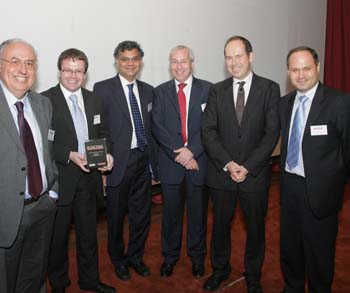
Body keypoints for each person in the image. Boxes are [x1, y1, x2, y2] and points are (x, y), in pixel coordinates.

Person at [201, 35, 280, 292]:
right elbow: (208, 130)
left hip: (254, 175)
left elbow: (271, 133)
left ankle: (253, 276)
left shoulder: (270, 88)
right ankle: (220, 270)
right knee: (220, 226)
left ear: (251, 56)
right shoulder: (217, 90)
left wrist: (247, 166)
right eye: (228, 57)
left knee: (256, 229)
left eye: (238, 56)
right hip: (221, 174)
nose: (233, 62)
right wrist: (228, 163)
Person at [42, 48, 115, 293]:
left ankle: (90, 281)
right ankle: (59, 285)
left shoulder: (95, 99)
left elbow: (104, 134)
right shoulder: (44, 100)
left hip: (89, 180)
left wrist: (108, 155)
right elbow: (43, 142)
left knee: (88, 238)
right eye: (68, 71)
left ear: (85, 73)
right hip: (61, 182)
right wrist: (69, 155)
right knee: (58, 240)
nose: (73, 76)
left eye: (78, 71)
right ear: (59, 71)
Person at [279, 46, 350, 293]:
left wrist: (335, 186)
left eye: (306, 68)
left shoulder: (339, 102)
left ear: (317, 68)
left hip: (321, 194)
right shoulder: (284, 104)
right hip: (289, 188)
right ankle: (293, 287)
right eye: (295, 69)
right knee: (290, 247)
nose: (301, 75)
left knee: (320, 253)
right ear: (288, 72)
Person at [93, 41, 156, 281]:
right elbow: (97, 129)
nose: (130, 63)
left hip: (143, 160)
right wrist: (101, 164)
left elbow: (152, 129)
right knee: (116, 217)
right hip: (116, 164)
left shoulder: (149, 90)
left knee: (141, 215)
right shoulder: (103, 89)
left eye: (135, 59)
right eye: (125, 59)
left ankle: (135, 257)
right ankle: (118, 260)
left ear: (140, 61)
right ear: (117, 61)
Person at [0, 38, 58, 293]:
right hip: (6, 218)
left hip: (43, 207)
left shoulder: (42, 104)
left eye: (30, 63)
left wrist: (53, 193)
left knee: (34, 279)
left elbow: (48, 153)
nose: (23, 70)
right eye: (15, 61)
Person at [152, 45, 211, 278]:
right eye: (174, 62)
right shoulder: (160, 92)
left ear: (192, 63)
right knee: (170, 216)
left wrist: (191, 152)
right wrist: (179, 154)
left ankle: (197, 258)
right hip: (171, 164)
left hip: (199, 163)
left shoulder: (208, 90)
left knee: (198, 215)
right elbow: (157, 126)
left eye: (183, 61)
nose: (179, 66)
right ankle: (170, 257)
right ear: (170, 65)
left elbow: (210, 126)